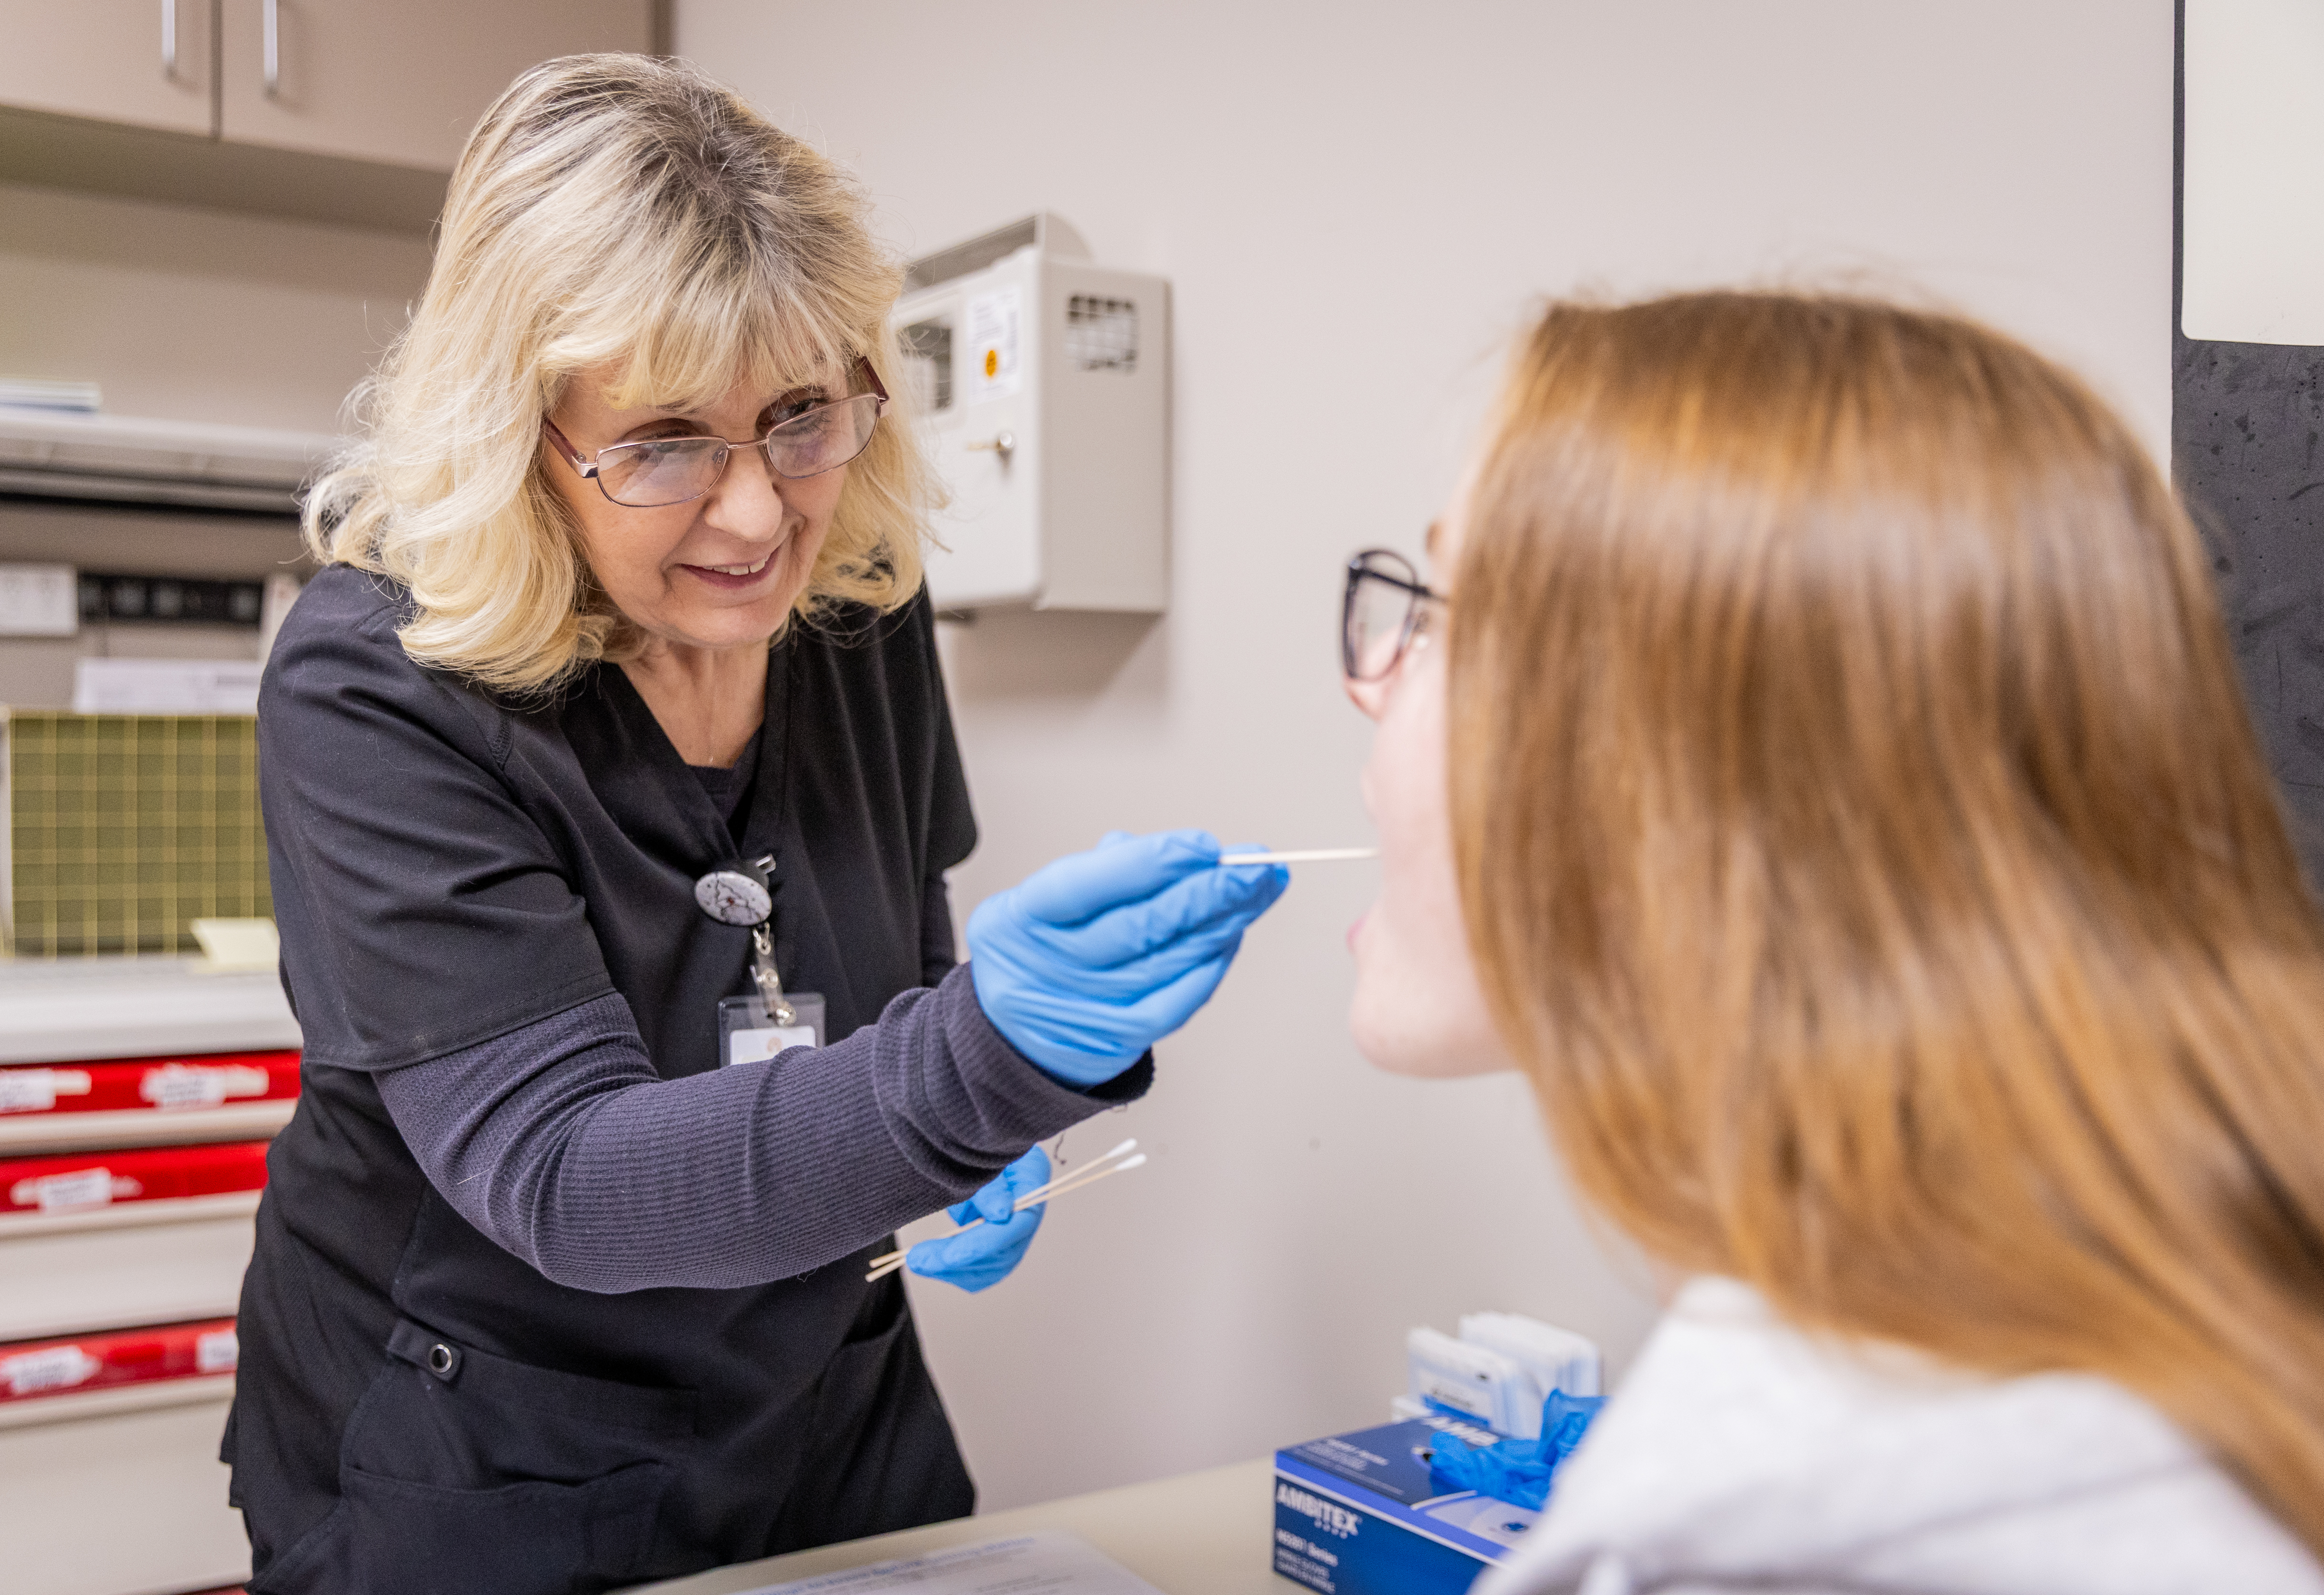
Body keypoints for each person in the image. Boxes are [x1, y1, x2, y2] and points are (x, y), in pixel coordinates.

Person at [224, 55, 1285, 1595]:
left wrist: (971, 1133)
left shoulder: (853, 591)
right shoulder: (380, 679)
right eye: (663, 444)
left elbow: (896, 959)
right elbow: (564, 1175)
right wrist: (987, 1064)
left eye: (801, 417)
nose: (756, 513)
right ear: (522, 439)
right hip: (487, 1441)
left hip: (827, 1402)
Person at [1343, 291, 2324, 1592]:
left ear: (1670, 791)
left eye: (1428, 616)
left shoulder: (1769, 1544)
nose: (1372, 681)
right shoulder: (2168, 1328)